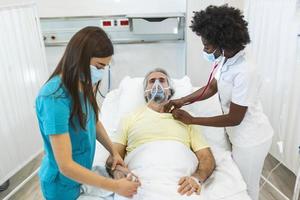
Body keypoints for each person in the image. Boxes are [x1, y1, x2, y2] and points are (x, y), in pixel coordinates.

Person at [164, 5, 273, 200]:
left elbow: (235, 118)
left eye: (207, 45)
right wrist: (182, 100)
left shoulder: (245, 70)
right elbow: (213, 87)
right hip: (237, 135)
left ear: (222, 43)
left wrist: (192, 120)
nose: (204, 49)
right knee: (237, 182)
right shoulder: (226, 57)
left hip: (251, 139)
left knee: (245, 190)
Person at [35, 26, 140, 200]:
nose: (101, 73)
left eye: (105, 67)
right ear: (79, 58)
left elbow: (94, 121)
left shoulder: (83, 84)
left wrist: (114, 152)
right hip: (61, 185)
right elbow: (65, 165)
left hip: (80, 176)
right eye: (99, 66)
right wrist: (115, 186)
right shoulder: (53, 98)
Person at [105, 68, 216, 199]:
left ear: (170, 90)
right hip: (140, 180)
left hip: (179, 183)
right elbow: (114, 156)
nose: (157, 83)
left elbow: (206, 157)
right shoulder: (130, 118)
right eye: (152, 81)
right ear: (145, 92)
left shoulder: (187, 118)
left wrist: (197, 178)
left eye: (162, 80)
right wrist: (119, 173)